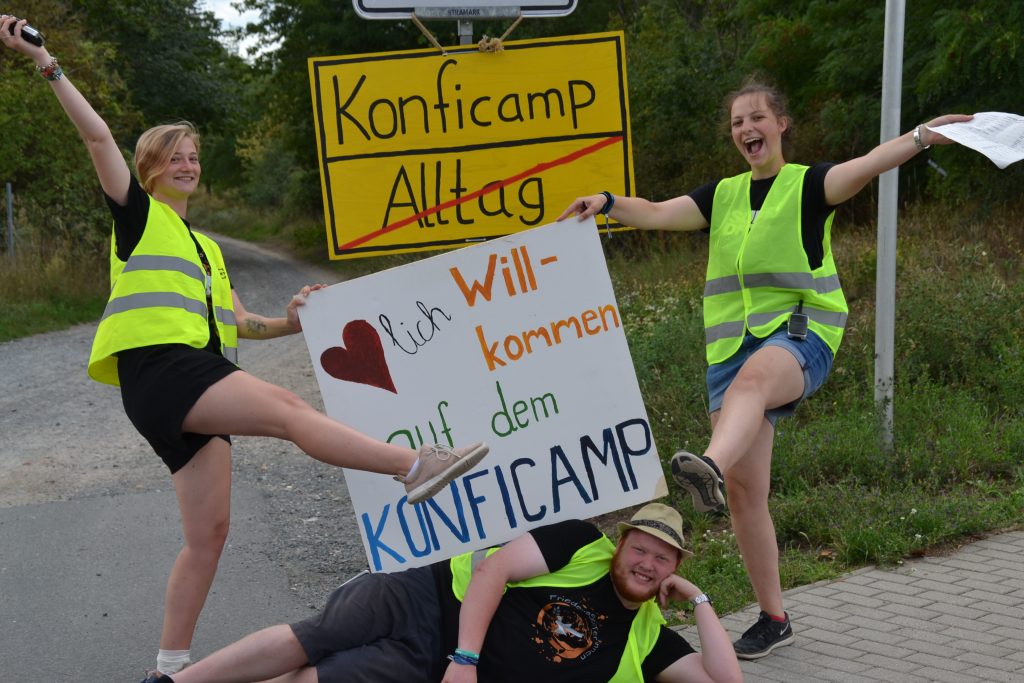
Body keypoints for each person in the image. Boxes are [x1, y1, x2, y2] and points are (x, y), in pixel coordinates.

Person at [0, 15, 489, 680]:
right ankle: (413, 467)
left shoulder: (203, 247)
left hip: (184, 378)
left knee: (209, 536)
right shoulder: (137, 215)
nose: (188, 163)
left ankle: (167, 670)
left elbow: (238, 323)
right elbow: (95, 136)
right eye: (175, 155)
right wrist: (48, 63)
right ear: (147, 167)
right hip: (162, 368)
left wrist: (289, 323)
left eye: (194, 155)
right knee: (288, 407)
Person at [558, 78, 971, 660]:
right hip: (729, 353)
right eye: (736, 123)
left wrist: (925, 135)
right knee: (750, 496)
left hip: (803, 336)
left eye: (756, 118)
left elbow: (871, 162)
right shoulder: (722, 196)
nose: (746, 129)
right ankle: (775, 618)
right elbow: (651, 213)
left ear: (780, 124)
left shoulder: (810, 185)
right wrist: (605, 202)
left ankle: (708, 467)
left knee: (754, 386)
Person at [140, 502, 743, 683]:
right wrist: (467, 657)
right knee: (315, 636)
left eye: (661, 558)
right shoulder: (581, 542)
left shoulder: (647, 635)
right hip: (429, 596)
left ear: (672, 568)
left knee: (325, 678)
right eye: (640, 547)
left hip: (429, 665)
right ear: (622, 542)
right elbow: (494, 572)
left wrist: (698, 600)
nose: (645, 561)